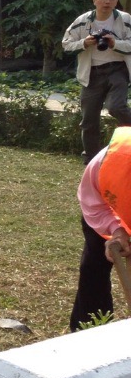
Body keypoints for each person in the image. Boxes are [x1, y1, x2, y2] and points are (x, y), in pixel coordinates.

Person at [61, 0, 131, 162]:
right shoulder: (83, 21)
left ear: (117, 1)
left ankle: (125, 149)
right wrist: (84, 42)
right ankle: (91, 160)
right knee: (88, 120)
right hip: (91, 73)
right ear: (95, 0)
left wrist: (115, 43)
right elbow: (66, 45)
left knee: (116, 107)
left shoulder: (125, 20)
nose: (107, 2)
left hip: (117, 70)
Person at [69, 127, 131, 331]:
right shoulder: (108, 161)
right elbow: (93, 203)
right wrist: (117, 229)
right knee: (93, 270)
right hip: (108, 209)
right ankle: (89, 332)